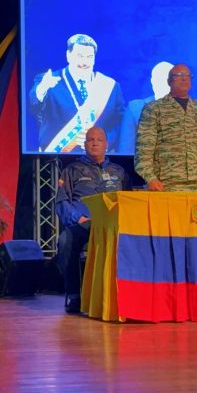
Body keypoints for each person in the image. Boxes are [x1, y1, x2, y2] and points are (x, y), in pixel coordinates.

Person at [55, 126, 129, 313]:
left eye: (99, 139)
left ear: (107, 144)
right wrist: (77, 218)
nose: (95, 142)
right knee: (65, 241)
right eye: (90, 139)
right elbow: (62, 202)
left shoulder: (118, 171)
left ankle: (125, 294)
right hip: (84, 224)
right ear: (84, 144)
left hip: (114, 225)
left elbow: (130, 199)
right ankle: (74, 296)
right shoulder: (71, 170)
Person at [134, 63, 197, 192]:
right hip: (167, 184)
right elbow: (144, 148)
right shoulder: (154, 109)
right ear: (169, 81)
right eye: (179, 75)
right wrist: (150, 178)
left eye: (188, 75)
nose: (184, 78)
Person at [29, 34, 125, 153]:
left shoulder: (110, 86)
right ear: (68, 56)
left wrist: (102, 142)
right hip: (56, 161)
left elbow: (120, 122)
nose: (84, 62)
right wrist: (42, 89)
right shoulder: (48, 80)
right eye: (79, 56)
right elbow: (33, 106)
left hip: (98, 160)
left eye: (89, 57)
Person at [117, 61, 173, 153]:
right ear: (152, 81)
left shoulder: (188, 108)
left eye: (167, 79)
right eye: (158, 78)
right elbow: (126, 149)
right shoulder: (135, 108)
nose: (162, 83)